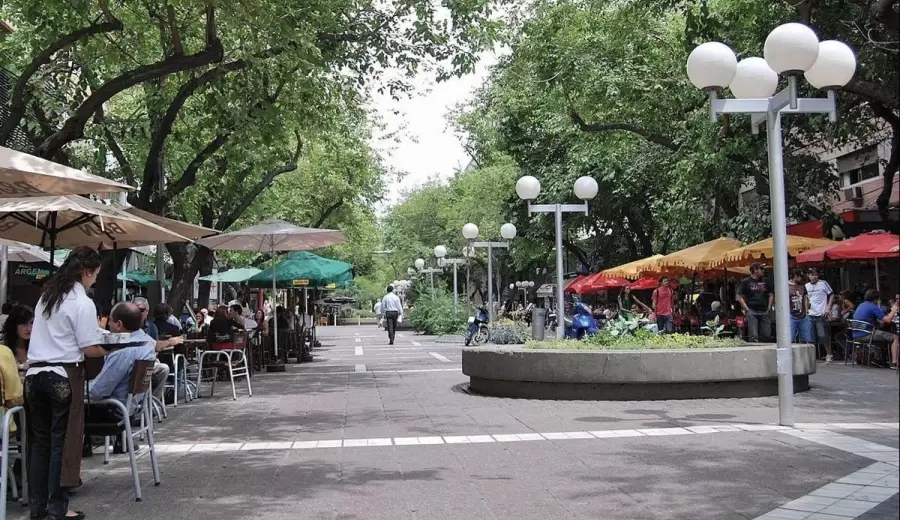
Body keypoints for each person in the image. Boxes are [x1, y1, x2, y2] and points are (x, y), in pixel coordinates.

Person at [26, 246, 110, 520]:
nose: (95, 280)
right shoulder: (82, 302)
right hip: (62, 375)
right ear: (86, 272)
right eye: (95, 274)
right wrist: (110, 349)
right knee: (59, 445)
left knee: (39, 444)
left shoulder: (46, 297)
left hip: (33, 375)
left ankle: (38, 507)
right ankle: (56, 507)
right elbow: (89, 348)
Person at [85, 302, 158, 452]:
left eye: (110, 320)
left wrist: (76, 389)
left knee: (63, 405)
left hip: (113, 412)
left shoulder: (123, 352)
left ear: (119, 324)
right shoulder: (147, 344)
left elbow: (97, 392)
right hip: (132, 409)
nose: (108, 325)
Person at [851, 289, 899, 370]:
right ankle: (895, 362)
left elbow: (881, 322)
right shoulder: (873, 306)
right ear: (875, 299)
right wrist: (893, 310)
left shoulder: (861, 305)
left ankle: (878, 359)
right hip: (866, 335)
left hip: (856, 335)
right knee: (895, 337)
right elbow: (887, 320)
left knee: (883, 336)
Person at [738, 263, 774, 342]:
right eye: (761, 268)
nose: (763, 270)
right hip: (752, 311)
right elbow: (740, 297)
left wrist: (769, 307)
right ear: (755, 270)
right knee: (753, 336)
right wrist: (747, 310)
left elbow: (771, 294)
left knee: (766, 334)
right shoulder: (746, 282)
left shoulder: (766, 280)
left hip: (764, 310)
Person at [805, 268, 835, 362]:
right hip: (810, 314)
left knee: (824, 336)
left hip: (821, 313)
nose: (814, 277)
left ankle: (829, 354)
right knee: (810, 337)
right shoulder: (806, 286)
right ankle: (811, 356)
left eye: (816, 275)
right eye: (812, 275)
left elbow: (832, 295)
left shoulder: (823, 283)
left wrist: (828, 307)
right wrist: (806, 311)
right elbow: (806, 298)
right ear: (808, 276)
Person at [2, 304, 33, 368]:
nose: (28, 328)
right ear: (14, 325)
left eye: (31, 323)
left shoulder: (37, 347)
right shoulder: (3, 349)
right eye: (24, 324)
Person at [788, 268, 812, 344]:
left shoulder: (802, 286)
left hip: (803, 315)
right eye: (799, 276)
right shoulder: (786, 286)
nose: (801, 278)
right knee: (791, 339)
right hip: (791, 315)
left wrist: (807, 311)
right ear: (795, 276)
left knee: (806, 339)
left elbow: (805, 298)